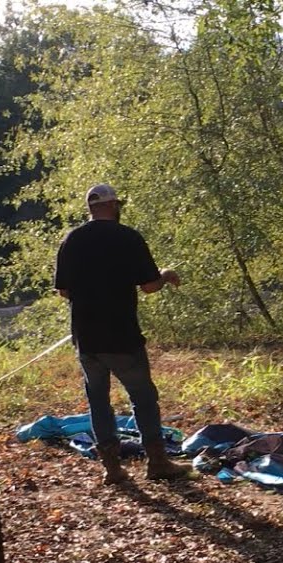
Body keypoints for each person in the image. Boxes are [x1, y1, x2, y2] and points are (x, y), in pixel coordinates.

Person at [54, 183, 191, 485]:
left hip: (86, 339)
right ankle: (157, 462)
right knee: (142, 397)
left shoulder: (71, 240)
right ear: (113, 206)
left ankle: (112, 468)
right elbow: (149, 286)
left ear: (91, 208)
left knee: (98, 401)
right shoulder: (128, 237)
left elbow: (63, 291)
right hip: (122, 335)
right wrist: (166, 276)